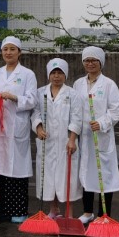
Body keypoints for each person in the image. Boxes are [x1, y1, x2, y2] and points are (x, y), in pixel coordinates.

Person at [0, 36, 37, 224]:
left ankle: (18, 211)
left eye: (12, 49)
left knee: (16, 170)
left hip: (16, 127)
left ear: (19, 52)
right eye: (5, 49)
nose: (8, 52)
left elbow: (32, 100)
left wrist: (15, 98)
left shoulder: (28, 74)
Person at [73, 46, 119, 225]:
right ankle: (87, 212)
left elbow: (115, 110)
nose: (90, 63)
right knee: (86, 174)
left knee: (104, 176)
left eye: (94, 60)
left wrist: (101, 123)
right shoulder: (78, 84)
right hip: (84, 138)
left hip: (101, 137)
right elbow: (74, 108)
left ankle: (103, 214)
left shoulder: (109, 84)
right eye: (87, 60)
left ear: (101, 62)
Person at [31, 58, 82, 219]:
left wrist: (72, 139)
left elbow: (77, 118)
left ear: (65, 75)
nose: (56, 76)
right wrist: (38, 128)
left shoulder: (73, 94)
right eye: (53, 73)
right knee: (48, 177)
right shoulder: (40, 92)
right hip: (47, 142)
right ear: (48, 75)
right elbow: (35, 113)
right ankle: (53, 210)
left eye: (60, 73)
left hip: (65, 142)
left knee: (67, 178)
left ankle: (69, 215)